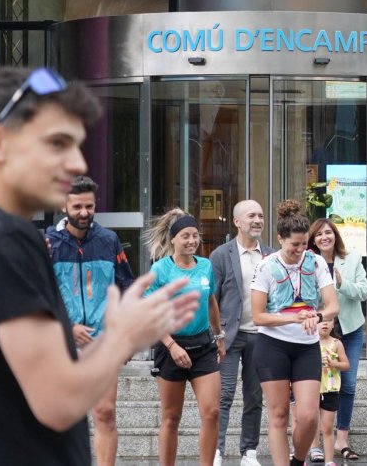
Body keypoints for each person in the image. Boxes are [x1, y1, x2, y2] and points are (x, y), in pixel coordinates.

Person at [0, 66, 197, 464]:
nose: (76, 163)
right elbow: (58, 400)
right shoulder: (6, 238)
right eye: (57, 143)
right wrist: (123, 336)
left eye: (77, 145)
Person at [47, 174, 136, 466]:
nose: (84, 213)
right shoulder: (48, 243)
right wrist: (67, 326)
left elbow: (127, 288)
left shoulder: (109, 240)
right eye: (77, 207)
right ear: (64, 206)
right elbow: (37, 295)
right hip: (61, 343)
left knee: (105, 413)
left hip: (103, 341)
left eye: (89, 206)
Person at [252, 200, 341, 466]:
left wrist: (317, 316)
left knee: (308, 416)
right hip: (273, 345)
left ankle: (298, 460)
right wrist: (292, 317)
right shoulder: (266, 266)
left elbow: (333, 306)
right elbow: (258, 316)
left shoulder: (316, 262)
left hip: (306, 347)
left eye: (304, 244)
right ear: (280, 239)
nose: (300, 250)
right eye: (294, 245)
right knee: (279, 415)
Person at [145, 210, 226, 466]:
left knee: (212, 412)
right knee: (171, 417)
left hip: (203, 346)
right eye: (185, 236)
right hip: (170, 346)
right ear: (173, 239)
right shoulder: (160, 270)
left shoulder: (205, 266)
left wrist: (219, 335)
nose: (192, 241)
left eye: (195, 235)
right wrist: (171, 346)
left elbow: (210, 302)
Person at [210, 199, 273, 466]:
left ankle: (249, 451)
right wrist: (215, 335)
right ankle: (216, 450)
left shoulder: (271, 255)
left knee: (254, 396)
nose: (258, 220)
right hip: (228, 336)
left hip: (261, 335)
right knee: (223, 395)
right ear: (237, 221)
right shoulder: (221, 255)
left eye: (261, 215)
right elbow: (212, 299)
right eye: (251, 216)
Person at [307, 216, 367, 462]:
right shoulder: (308, 261)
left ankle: (342, 439)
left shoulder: (352, 258)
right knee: (315, 383)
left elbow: (364, 292)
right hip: (318, 331)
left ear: (335, 235)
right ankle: (314, 443)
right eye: (319, 234)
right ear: (313, 240)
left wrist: (343, 283)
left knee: (349, 384)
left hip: (349, 329)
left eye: (328, 232)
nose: (324, 237)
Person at [317, 316, 350, 466]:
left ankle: (329, 461)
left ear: (333, 324)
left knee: (327, 427)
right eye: (320, 320)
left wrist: (334, 364)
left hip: (330, 389)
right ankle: (301, 457)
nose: (324, 323)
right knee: (306, 425)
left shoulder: (336, 343)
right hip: (311, 389)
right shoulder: (309, 343)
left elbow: (346, 365)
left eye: (329, 320)